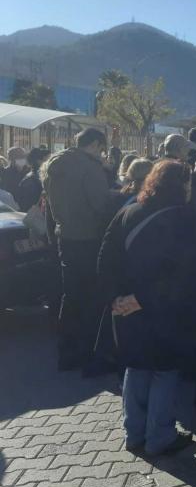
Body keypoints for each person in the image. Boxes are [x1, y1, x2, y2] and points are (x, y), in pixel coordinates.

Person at [98, 159, 196, 456]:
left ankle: (134, 433)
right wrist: (141, 298)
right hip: (165, 310)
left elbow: (105, 257)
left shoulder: (128, 211)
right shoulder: (186, 219)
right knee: (165, 371)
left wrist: (115, 298)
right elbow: (184, 271)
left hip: (126, 310)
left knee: (136, 367)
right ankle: (160, 436)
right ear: (182, 185)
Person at [42, 128, 112, 371]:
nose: (102, 154)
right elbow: (101, 204)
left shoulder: (54, 166)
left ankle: (67, 352)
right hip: (89, 238)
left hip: (66, 237)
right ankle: (86, 352)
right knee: (90, 296)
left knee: (70, 296)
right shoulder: (89, 168)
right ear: (94, 144)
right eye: (101, 149)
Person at [16, 148, 49, 212]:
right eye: (46, 159)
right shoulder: (35, 179)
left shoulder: (28, 177)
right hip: (36, 215)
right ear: (39, 161)